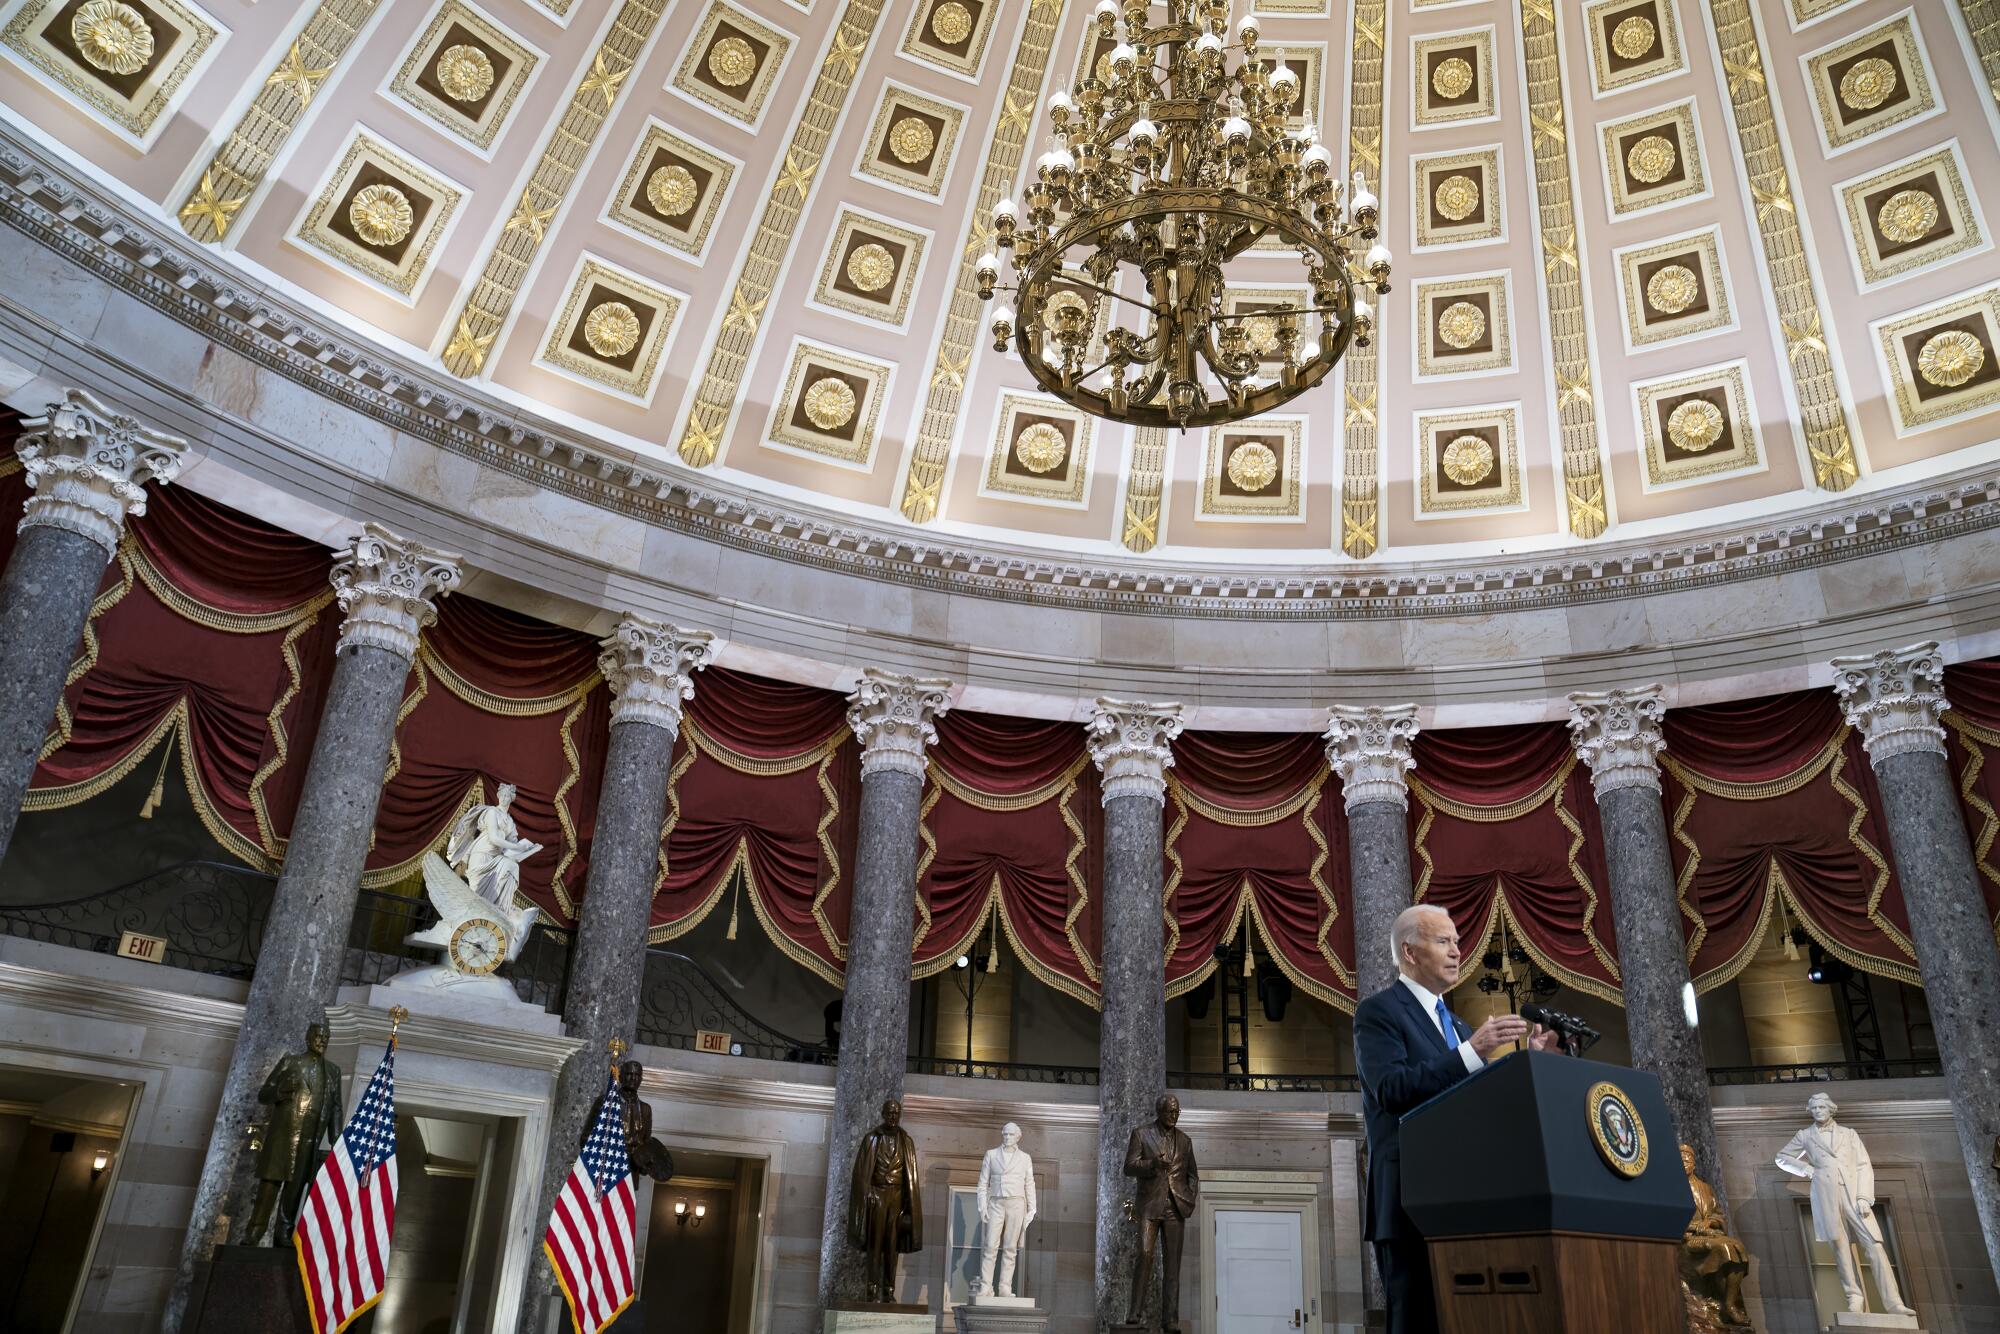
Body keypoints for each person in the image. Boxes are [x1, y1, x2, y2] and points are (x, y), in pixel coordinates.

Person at [1353, 904, 1556, 1334]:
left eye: (1458, 942)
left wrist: (1527, 1065)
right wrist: (1471, 1052)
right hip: (1410, 1201)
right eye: (1443, 941)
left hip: (1468, 1201)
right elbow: (1391, 1089)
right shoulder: (1379, 1013)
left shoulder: (1460, 1027)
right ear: (1410, 952)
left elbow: (1478, 1101)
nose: (1457, 951)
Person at [1776, 1092, 1913, 1316]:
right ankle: (1854, 1298)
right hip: (1826, 1196)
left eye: (1822, 1107)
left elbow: (1863, 1165)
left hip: (1853, 1194)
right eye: (1814, 1108)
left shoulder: (1849, 1134)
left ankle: (1894, 1303)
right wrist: (1807, 1170)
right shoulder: (1805, 1135)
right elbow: (1781, 1157)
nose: (1818, 1111)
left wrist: (1863, 1197)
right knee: (1840, 1248)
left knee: (1875, 1246)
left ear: (1831, 1109)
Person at [244, 1021, 343, 1244]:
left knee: (295, 1190)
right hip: (283, 1139)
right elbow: (264, 1094)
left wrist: (338, 1144)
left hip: (310, 1141)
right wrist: (280, 1091)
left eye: (326, 1037)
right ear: (308, 1038)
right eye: (318, 1036)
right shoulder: (291, 1062)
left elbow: (336, 1108)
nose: (322, 1041)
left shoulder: (333, 1072)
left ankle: (284, 1233)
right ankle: (254, 1232)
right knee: (269, 1187)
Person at [1124, 1093, 1199, 1330]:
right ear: (1159, 1111)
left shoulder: (1185, 1141)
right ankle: (1134, 1312)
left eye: (1177, 1112)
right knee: (1145, 1255)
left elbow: (1193, 1175)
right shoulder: (1141, 1133)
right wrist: (1152, 1164)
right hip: (1149, 1206)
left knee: (1172, 1266)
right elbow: (1129, 1167)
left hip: (1175, 1208)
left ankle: (1171, 1320)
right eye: (1170, 1112)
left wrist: (1189, 1195)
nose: (1174, 1116)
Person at [847, 1098, 923, 1303]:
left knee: (892, 1245)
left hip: (897, 1197)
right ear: (882, 1114)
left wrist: (909, 1207)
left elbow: (911, 1177)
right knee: (875, 1242)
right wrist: (868, 1191)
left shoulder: (906, 1141)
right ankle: (871, 1288)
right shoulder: (872, 1139)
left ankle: (889, 1289)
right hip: (877, 1195)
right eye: (889, 1113)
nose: (893, 1117)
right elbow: (861, 1173)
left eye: (896, 1113)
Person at [1678, 1142, 1751, 1329]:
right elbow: (1668, 1216)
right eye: (1681, 1158)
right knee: (1724, 1249)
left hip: (1711, 1233)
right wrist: (1696, 1227)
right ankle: (1728, 1306)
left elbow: (1718, 1214)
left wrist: (1710, 1222)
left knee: (1737, 1247)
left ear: (1694, 1163)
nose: (1684, 1162)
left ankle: (1729, 1303)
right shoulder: (1671, 1188)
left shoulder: (1705, 1188)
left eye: (1688, 1158)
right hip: (1686, 1240)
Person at [446, 782, 542, 907]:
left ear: (511, 799)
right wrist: (517, 847)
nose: (503, 798)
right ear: (498, 796)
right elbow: (494, 838)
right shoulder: (492, 812)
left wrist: (528, 848)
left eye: (507, 796)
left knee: (513, 867)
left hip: (496, 857)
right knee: (478, 894)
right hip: (482, 854)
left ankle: (500, 908)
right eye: (501, 795)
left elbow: (512, 844)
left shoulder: (510, 821)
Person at [975, 1121, 1037, 1299]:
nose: (1007, 1137)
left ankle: (1004, 1287)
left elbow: (1029, 1184)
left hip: (1016, 1203)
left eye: (1011, 1134)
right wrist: (982, 1205)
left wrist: (1032, 1208)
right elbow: (982, 1183)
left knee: (1010, 1248)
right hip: (996, 1202)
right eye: (1005, 1134)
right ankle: (986, 1287)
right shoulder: (992, 1155)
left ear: (1018, 1137)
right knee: (990, 1246)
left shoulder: (1025, 1158)